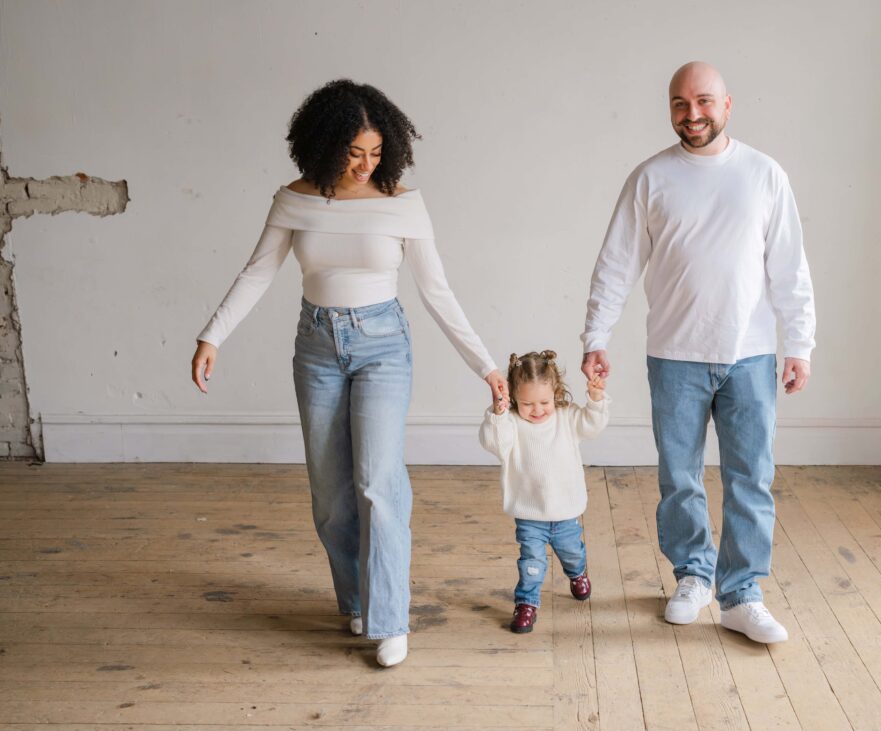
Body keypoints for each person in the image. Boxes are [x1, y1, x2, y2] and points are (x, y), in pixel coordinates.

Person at [190, 79, 507, 667]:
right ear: (324, 145)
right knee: (331, 493)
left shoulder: (404, 204)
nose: (365, 166)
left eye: (376, 153)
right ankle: (356, 598)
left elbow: (437, 291)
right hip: (316, 345)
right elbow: (258, 272)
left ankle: (390, 618)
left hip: (383, 345)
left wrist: (485, 365)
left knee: (379, 483)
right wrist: (213, 334)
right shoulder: (294, 199)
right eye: (353, 153)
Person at [580, 62, 815, 644]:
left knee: (750, 478)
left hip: (751, 354)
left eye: (704, 102)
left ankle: (741, 594)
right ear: (670, 109)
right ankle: (693, 575)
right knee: (679, 477)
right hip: (675, 354)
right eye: (681, 104)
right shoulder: (651, 178)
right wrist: (596, 337)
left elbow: (790, 268)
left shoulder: (764, 174)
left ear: (728, 105)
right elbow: (616, 263)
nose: (693, 115)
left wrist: (799, 344)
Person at [478, 350, 609, 633]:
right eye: (527, 403)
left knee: (572, 554)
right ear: (513, 397)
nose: (537, 410)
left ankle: (577, 574)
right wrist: (499, 413)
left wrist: (596, 399)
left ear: (556, 393)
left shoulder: (566, 418)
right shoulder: (511, 423)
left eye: (544, 402)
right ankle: (527, 603)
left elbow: (592, 425)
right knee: (531, 563)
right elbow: (493, 443)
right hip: (530, 514)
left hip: (565, 513)